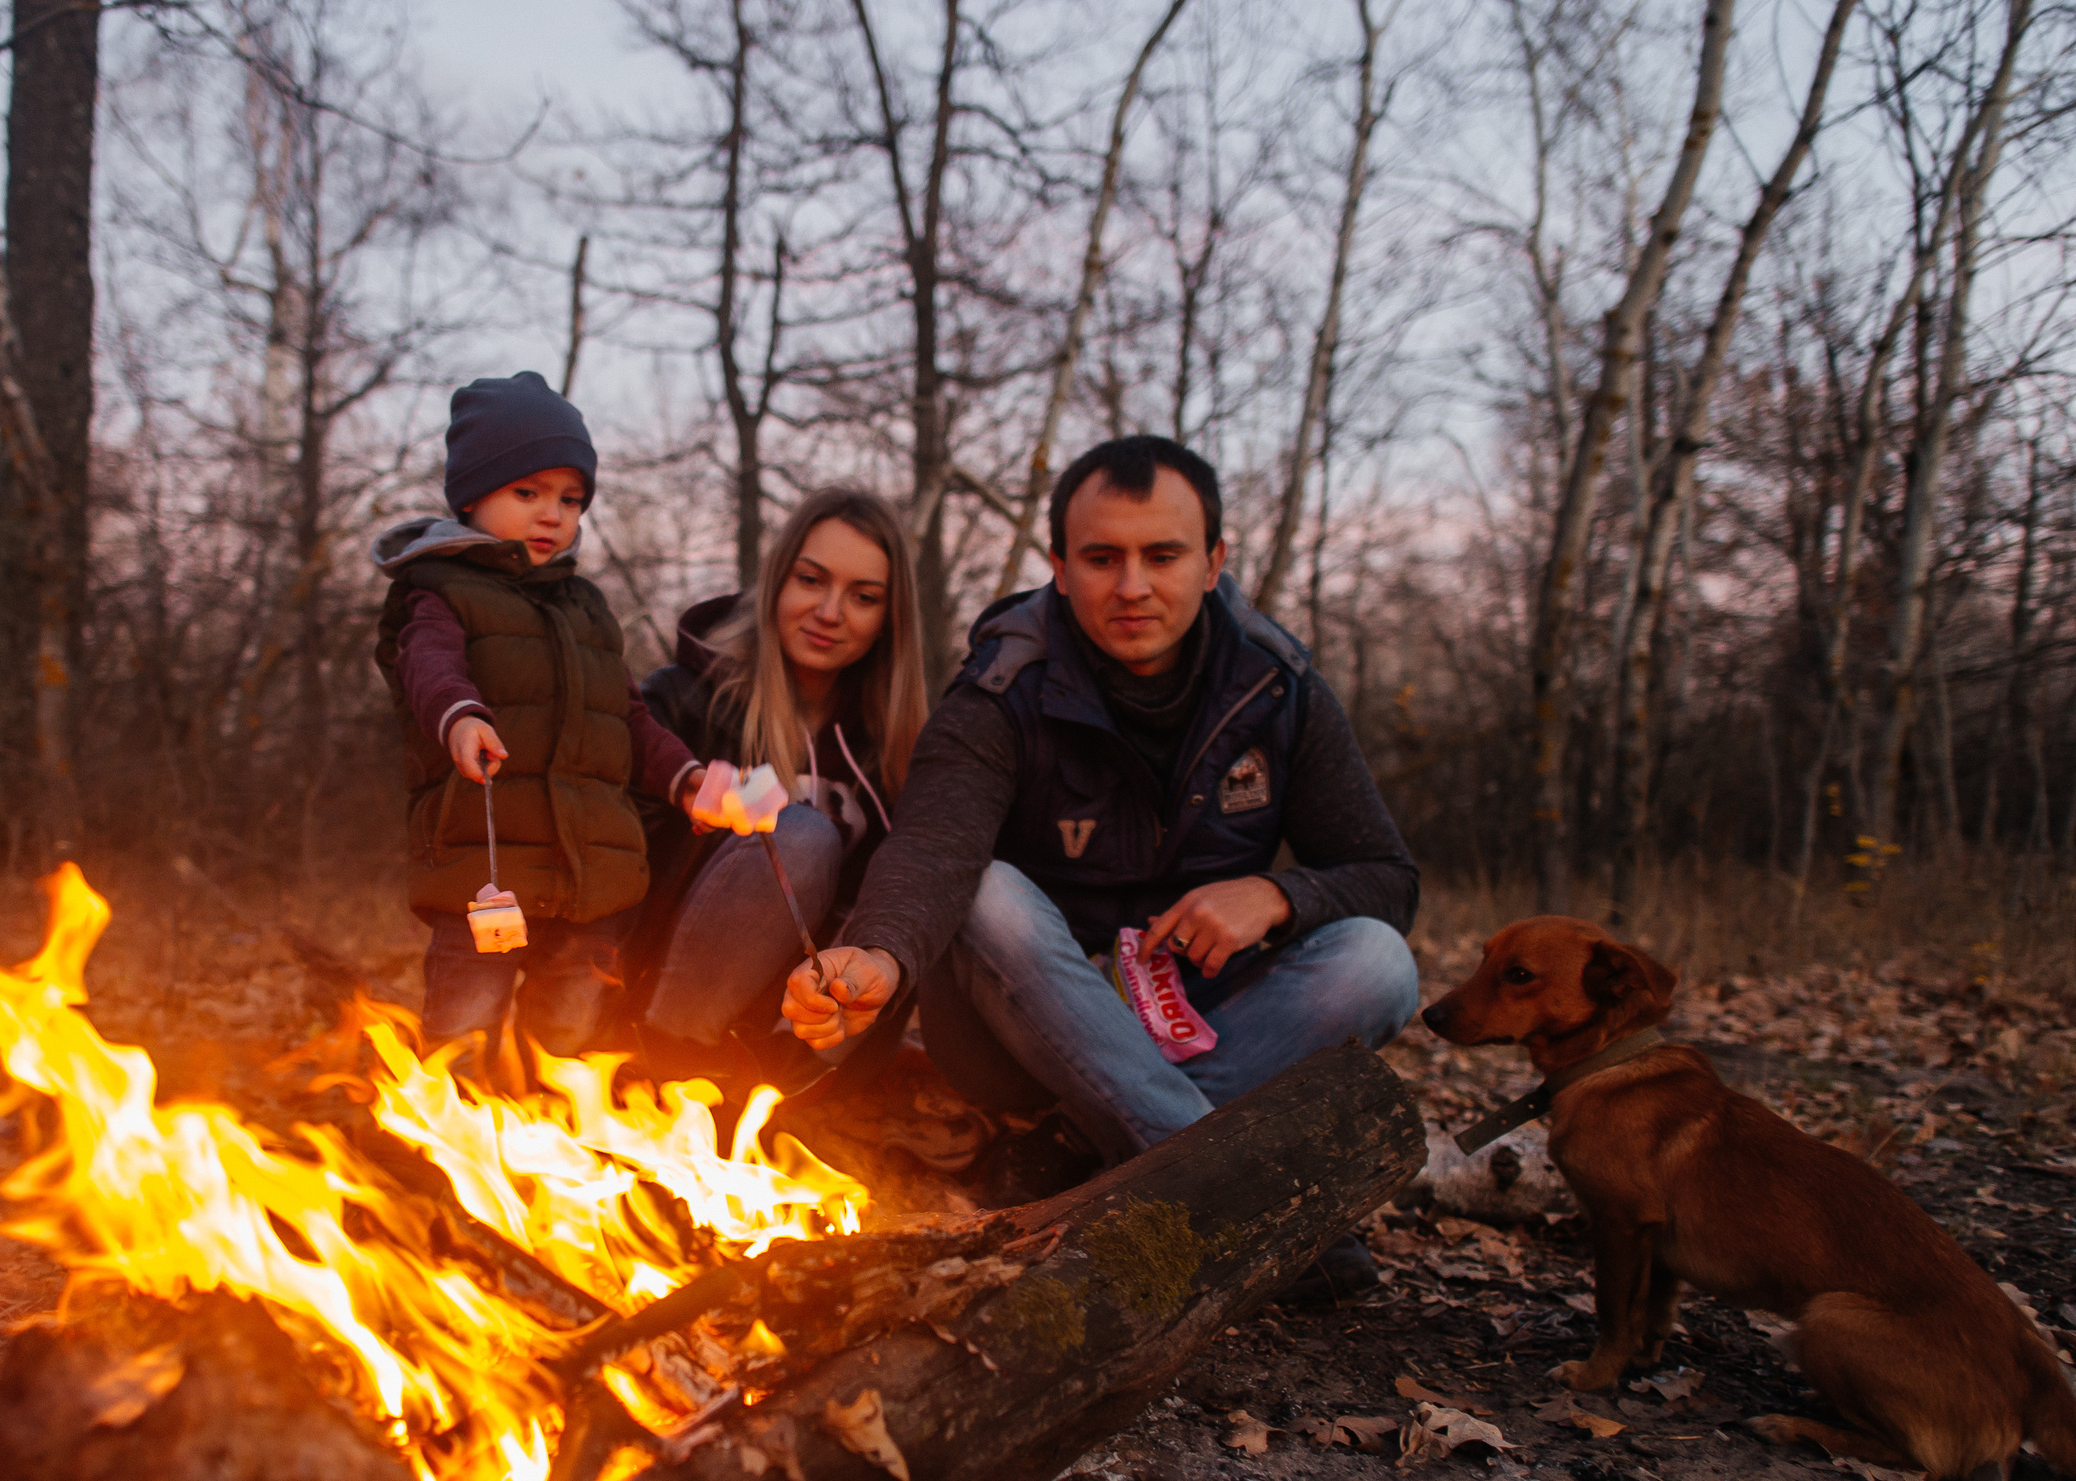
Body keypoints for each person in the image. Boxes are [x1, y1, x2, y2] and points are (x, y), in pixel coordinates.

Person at [784, 435, 1419, 1277]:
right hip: (1023, 1032)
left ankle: (1083, 1149)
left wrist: (1276, 895)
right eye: (1101, 557)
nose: (1132, 586)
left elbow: (1386, 877)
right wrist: (878, 953)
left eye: (1163, 554)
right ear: (1058, 564)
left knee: (1380, 959)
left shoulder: (1278, 685)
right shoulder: (1003, 688)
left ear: (1214, 560)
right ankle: (1241, 1200)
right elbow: (935, 847)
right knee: (988, 894)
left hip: (1202, 1014)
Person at [373, 371, 712, 1054]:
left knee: (565, 1040)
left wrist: (687, 779)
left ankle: (551, 1145)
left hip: (592, 881)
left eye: (570, 498)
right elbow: (427, 666)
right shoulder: (439, 590)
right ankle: (447, 1147)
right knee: (462, 1033)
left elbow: (629, 718)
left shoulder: (585, 609)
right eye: (526, 492)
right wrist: (462, 717)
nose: (552, 513)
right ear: (472, 494)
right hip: (485, 873)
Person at [632, 489, 927, 1077]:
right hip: (660, 1003)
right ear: (776, 582)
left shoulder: (891, 749)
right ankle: (667, 1067)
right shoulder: (681, 701)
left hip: (800, 1032)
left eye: (863, 597)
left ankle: (783, 1087)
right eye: (811, 580)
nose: (830, 612)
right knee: (801, 838)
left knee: (922, 882)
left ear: (888, 620)